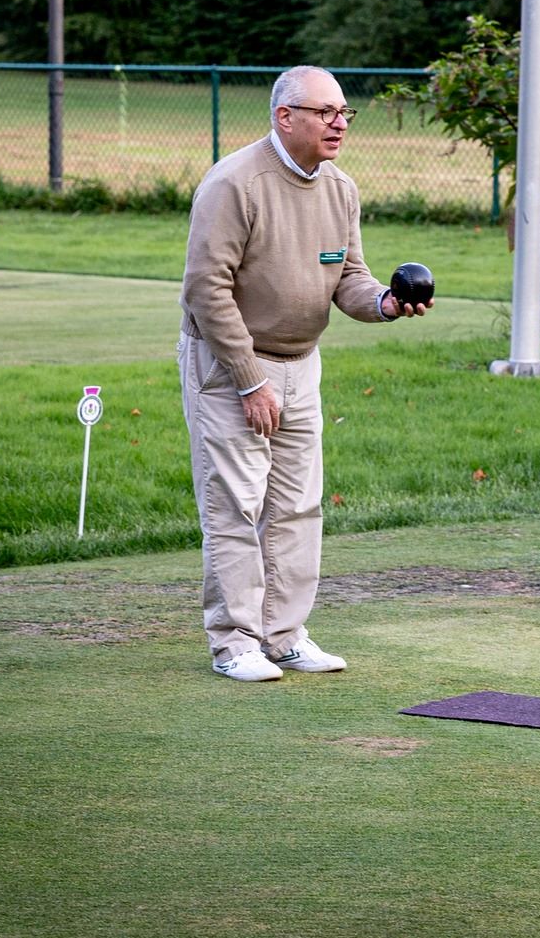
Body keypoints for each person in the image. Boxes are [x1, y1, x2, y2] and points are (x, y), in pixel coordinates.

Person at [178, 65, 430, 681]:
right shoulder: (234, 183)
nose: (339, 123)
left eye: (344, 112)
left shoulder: (340, 189)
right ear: (284, 117)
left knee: (296, 507)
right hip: (231, 364)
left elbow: (347, 276)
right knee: (235, 505)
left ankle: (284, 634)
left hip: (301, 362)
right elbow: (206, 289)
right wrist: (248, 378)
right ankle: (235, 642)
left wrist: (384, 304)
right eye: (325, 112)